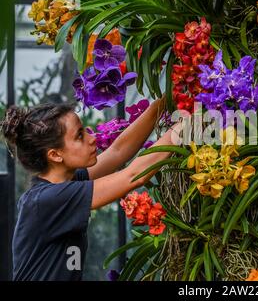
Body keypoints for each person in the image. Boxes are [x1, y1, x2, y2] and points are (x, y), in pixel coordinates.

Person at [0, 97, 182, 281]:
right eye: (80, 136)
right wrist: (188, 123)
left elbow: (118, 151)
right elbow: (133, 175)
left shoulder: (64, 183)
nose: (92, 138)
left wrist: (164, 101)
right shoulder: (47, 200)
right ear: (55, 155)